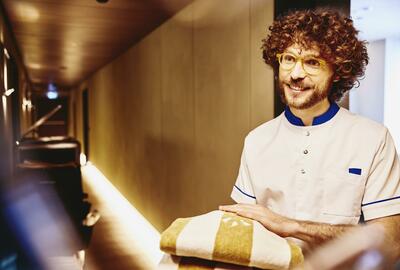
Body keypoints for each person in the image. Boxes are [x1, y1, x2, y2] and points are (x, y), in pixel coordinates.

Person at [219, 9, 400, 259]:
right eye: (289, 59)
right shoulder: (256, 141)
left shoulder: (374, 138)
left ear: (337, 71)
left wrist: (293, 226)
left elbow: (390, 243)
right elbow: (244, 230)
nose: (295, 74)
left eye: (312, 62)